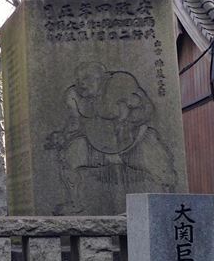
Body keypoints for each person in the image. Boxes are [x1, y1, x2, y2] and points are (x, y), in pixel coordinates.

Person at [45, 61, 175, 214]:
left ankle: (170, 200)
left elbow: (147, 109)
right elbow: (74, 123)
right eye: (79, 80)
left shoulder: (123, 84)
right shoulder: (75, 97)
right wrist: (62, 136)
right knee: (69, 157)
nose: (82, 83)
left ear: (102, 77)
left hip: (133, 141)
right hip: (94, 144)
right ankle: (74, 202)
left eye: (87, 78)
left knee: (161, 165)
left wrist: (130, 123)